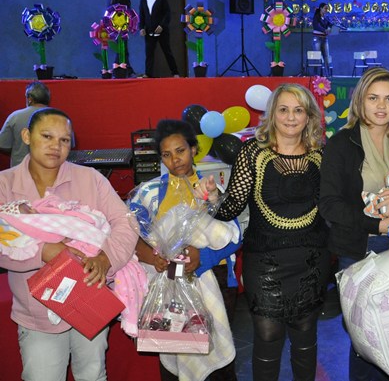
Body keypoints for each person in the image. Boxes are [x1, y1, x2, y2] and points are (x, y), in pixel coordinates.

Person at [0, 107, 138, 381]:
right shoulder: (5, 183)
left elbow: (126, 222)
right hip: (37, 315)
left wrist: (106, 258)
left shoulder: (91, 179)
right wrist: (44, 252)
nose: (56, 146)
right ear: (26, 136)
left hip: (90, 300)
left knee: (92, 374)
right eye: (47, 136)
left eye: (64, 139)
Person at [211, 83, 329, 381]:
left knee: (305, 336)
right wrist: (212, 199)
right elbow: (231, 206)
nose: (291, 117)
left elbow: (333, 205)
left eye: (298, 110)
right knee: (267, 335)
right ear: (272, 113)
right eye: (283, 109)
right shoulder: (252, 152)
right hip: (265, 261)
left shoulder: (322, 154)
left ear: (309, 116)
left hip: (311, 259)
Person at [319, 67, 389, 380]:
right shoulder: (341, 144)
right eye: (373, 98)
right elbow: (329, 205)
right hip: (359, 250)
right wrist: (376, 226)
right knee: (365, 336)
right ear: (360, 101)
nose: (381, 106)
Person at [128, 119, 240, 381]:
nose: (175, 159)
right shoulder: (148, 192)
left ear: (193, 149)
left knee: (217, 360)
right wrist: (151, 257)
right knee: (175, 351)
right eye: (166, 154)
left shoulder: (211, 190)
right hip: (168, 283)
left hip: (215, 280)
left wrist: (204, 257)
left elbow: (235, 237)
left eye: (180, 151)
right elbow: (128, 234)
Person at [0, 82, 50, 167]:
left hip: (20, 169)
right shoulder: (60, 117)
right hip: (51, 169)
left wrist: (17, 150)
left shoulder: (15, 117)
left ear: (30, 99)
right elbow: (69, 145)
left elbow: (2, 145)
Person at [139, 0, 180, 78]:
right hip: (149, 31)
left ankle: (175, 72)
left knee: (167, 51)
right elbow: (142, 15)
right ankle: (148, 74)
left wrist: (162, 25)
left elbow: (167, 14)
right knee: (149, 53)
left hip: (162, 31)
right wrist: (141, 28)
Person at [107, 0, 136, 77]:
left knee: (123, 49)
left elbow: (129, 13)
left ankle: (121, 71)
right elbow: (110, 10)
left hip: (124, 27)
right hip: (115, 27)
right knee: (121, 48)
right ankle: (123, 71)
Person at [312, 3, 334, 76]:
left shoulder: (325, 18)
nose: (326, 10)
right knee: (317, 57)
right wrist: (325, 30)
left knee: (326, 57)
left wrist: (331, 28)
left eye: (327, 8)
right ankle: (316, 75)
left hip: (324, 39)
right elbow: (316, 26)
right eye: (325, 8)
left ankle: (328, 75)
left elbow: (330, 24)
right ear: (321, 8)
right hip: (317, 39)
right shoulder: (316, 17)